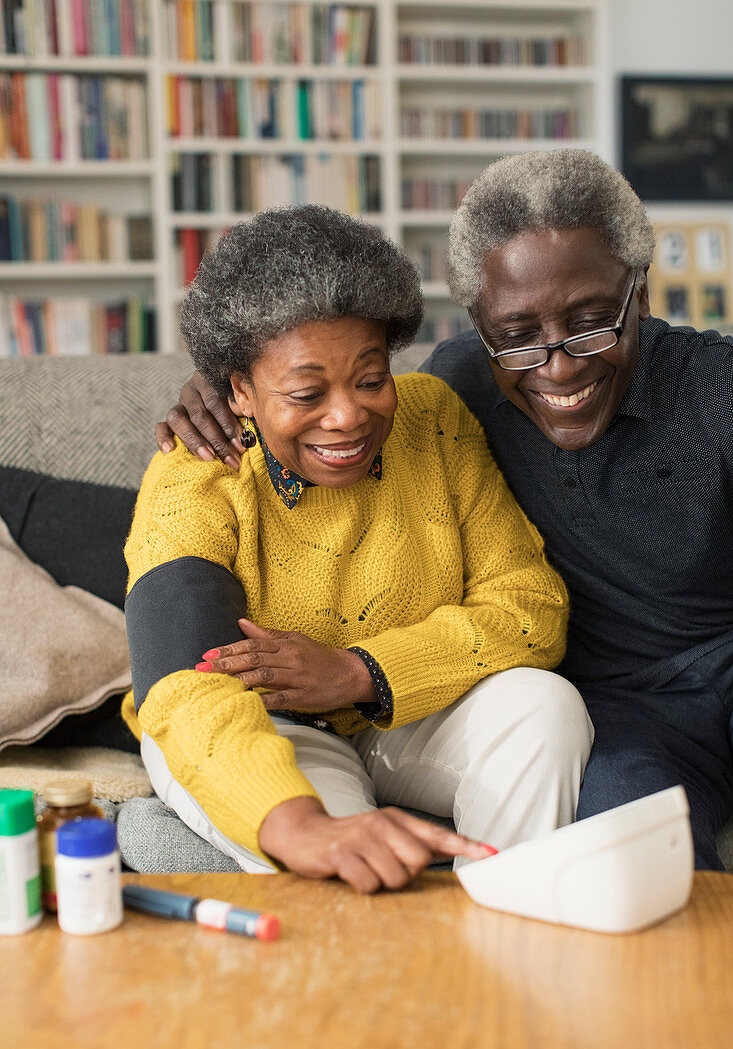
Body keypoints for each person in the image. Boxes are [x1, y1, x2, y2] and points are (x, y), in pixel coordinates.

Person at [160, 152, 733, 872]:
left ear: (639, 297)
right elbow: (322, 378)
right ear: (479, 326)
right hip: (626, 714)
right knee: (635, 871)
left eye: (591, 324)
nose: (557, 367)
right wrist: (227, 381)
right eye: (517, 335)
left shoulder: (716, 390)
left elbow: (524, 602)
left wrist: (359, 671)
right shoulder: (458, 386)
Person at [126, 205, 592, 893]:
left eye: (371, 380)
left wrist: (358, 672)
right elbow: (183, 688)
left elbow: (529, 606)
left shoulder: (432, 418)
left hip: (411, 714)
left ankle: (510, 924)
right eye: (306, 392)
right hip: (270, 727)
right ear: (240, 391)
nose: (347, 416)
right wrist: (301, 826)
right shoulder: (193, 473)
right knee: (352, 876)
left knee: (543, 705)